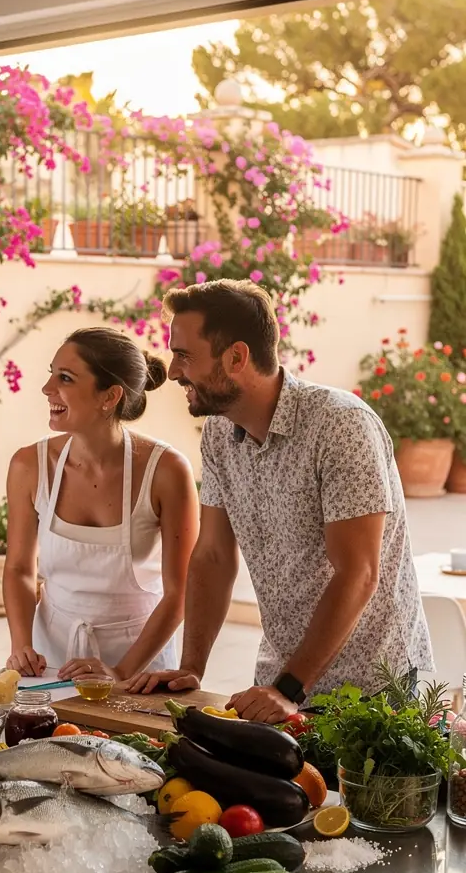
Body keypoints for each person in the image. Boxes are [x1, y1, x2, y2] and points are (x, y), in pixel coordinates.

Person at [128, 279, 432, 720]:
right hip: (280, 681)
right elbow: (212, 556)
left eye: (185, 355)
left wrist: (290, 688)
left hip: (374, 692)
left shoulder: (341, 426)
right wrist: (191, 667)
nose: (173, 371)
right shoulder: (218, 433)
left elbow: (358, 573)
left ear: (236, 357)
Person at [4, 326, 198, 681]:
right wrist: (22, 646)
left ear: (109, 397)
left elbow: (180, 591)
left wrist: (121, 672)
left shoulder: (167, 471)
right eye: (51, 374)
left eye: (64, 378)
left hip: (139, 665)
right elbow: (19, 569)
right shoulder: (29, 465)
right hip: (50, 659)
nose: (47, 389)